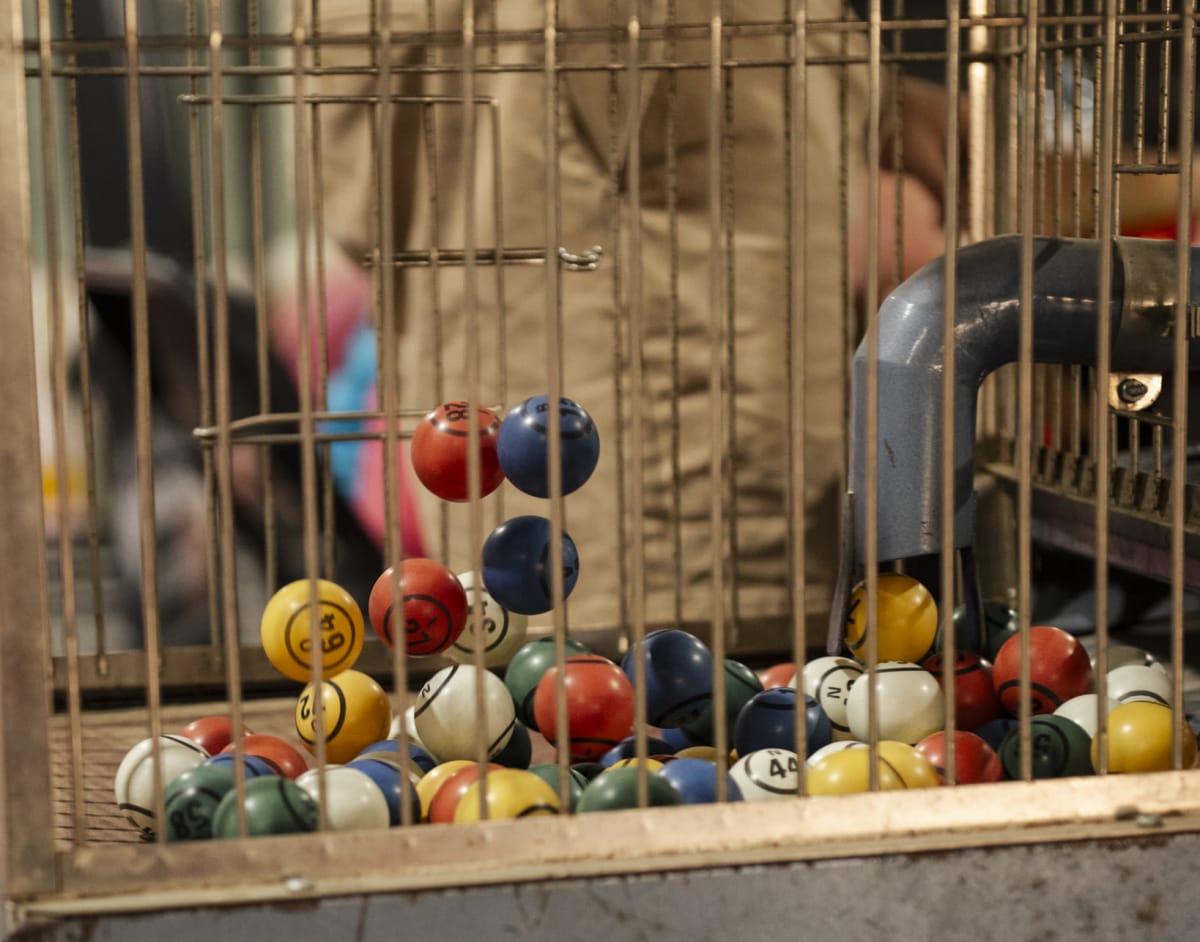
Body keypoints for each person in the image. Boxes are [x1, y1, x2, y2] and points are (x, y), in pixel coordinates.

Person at [311, 1, 958, 648]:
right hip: (666, 432)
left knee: (550, 660)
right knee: (663, 670)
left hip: (558, 389)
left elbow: (356, 183)